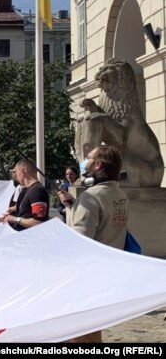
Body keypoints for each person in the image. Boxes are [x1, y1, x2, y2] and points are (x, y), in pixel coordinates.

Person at [59, 145, 129, 343]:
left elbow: (80, 240)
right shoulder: (120, 195)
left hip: (87, 273)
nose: (85, 162)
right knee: (92, 328)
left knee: (82, 331)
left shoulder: (90, 196)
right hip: (109, 268)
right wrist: (74, 206)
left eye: (88, 158)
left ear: (98, 165)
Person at [0, 159, 49, 231]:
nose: (15, 176)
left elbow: (38, 222)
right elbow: (25, 215)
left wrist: (14, 219)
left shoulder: (37, 190)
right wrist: (9, 218)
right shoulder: (27, 190)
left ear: (23, 171)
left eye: (16, 172)